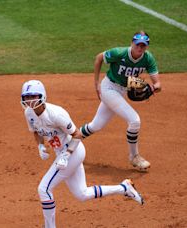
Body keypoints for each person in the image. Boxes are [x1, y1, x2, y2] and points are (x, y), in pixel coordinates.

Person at [21, 79, 144, 228]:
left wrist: (66, 155)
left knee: (44, 189)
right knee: (82, 194)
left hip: (73, 151)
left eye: (33, 96)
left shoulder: (56, 114)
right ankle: (124, 188)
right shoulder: (29, 113)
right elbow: (36, 131)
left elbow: (77, 135)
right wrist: (40, 146)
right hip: (62, 154)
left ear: (42, 96)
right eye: (27, 97)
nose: (30, 100)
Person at [79, 31, 162, 171]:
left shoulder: (148, 58)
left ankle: (69, 142)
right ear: (132, 43)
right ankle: (134, 157)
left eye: (143, 46)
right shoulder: (119, 53)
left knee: (96, 125)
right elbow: (99, 58)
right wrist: (96, 83)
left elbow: (158, 84)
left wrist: (152, 88)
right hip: (108, 88)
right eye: (137, 45)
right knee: (134, 120)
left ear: (146, 47)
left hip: (122, 91)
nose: (140, 48)